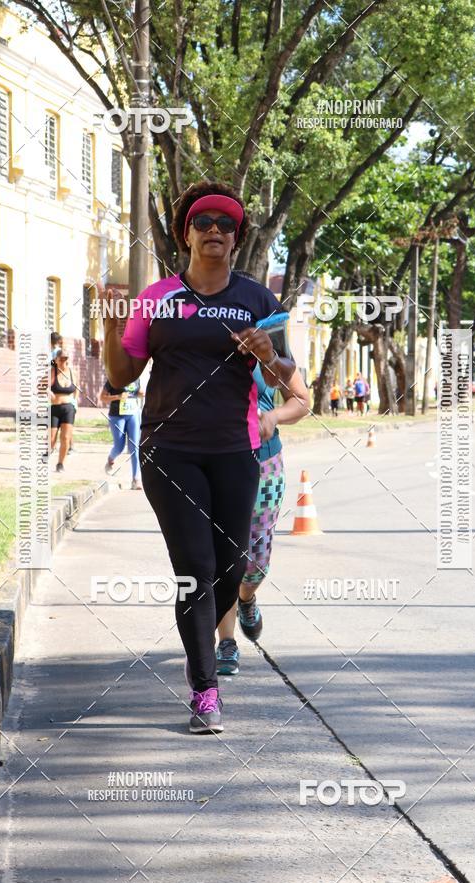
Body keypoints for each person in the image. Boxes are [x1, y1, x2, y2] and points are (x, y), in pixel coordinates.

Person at [104, 180, 297, 734]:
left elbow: (289, 381)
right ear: (187, 234)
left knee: (229, 569)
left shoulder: (258, 299)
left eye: (226, 225)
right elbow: (122, 376)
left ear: (236, 240)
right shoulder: (157, 298)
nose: (215, 231)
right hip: (170, 452)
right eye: (204, 223)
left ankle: (217, 651)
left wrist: (267, 356)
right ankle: (205, 691)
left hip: (238, 453)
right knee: (196, 570)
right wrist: (111, 326)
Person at [216, 364, 309, 675]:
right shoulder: (201, 328)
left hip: (265, 461)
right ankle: (226, 641)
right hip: (215, 460)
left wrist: (274, 416)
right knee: (223, 557)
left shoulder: (270, 335)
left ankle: (246, 597)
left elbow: (301, 399)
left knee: (255, 565)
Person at [100, 377, 144, 490]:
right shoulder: (113, 378)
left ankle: (136, 479)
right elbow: (102, 397)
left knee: (135, 446)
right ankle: (111, 459)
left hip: (133, 413)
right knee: (119, 446)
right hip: (116, 416)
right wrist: (118, 397)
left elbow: (138, 392)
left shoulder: (135, 378)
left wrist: (141, 393)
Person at [50, 343, 78, 473]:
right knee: (51, 439)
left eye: (66, 359)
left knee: (66, 438)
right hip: (55, 408)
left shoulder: (72, 371)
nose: (64, 361)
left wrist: (75, 401)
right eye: (61, 359)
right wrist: (46, 391)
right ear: (56, 359)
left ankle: (60, 463)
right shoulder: (52, 372)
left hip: (69, 408)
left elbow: (76, 388)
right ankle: (46, 455)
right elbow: (42, 386)